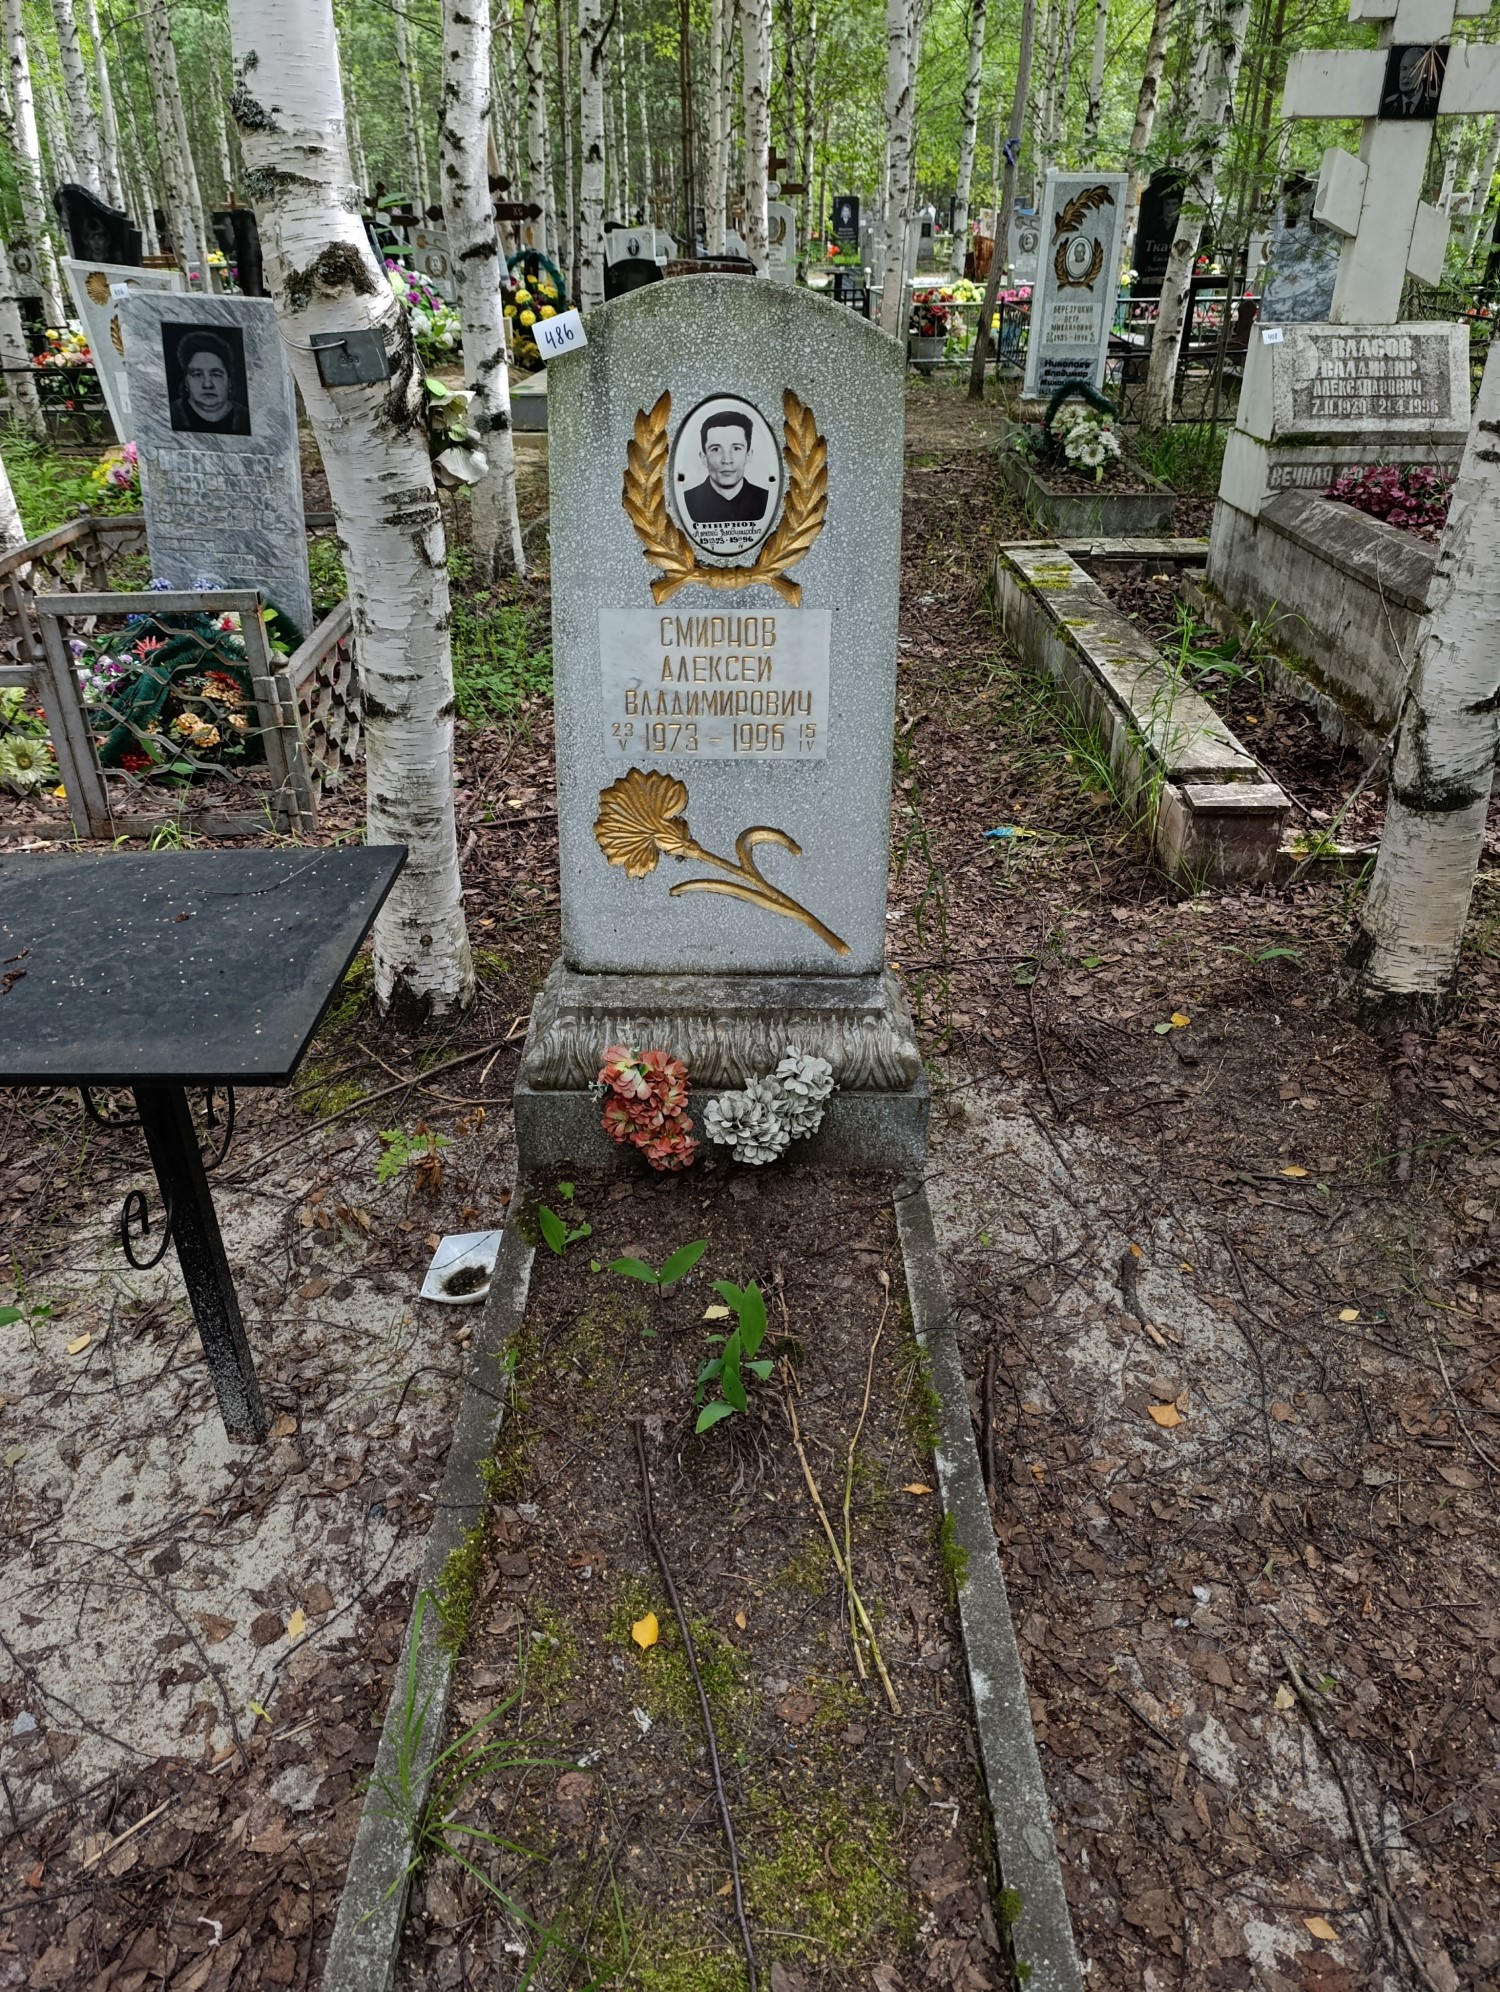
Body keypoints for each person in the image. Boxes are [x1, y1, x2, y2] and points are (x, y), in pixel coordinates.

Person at [682, 410, 768, 525]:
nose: (727, 460)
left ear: (748, 455)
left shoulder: (765, 500)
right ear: (704, 457)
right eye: (716, 449)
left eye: (736, 448)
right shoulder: (686, 501)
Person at [169, 329, 251, 434]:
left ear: (229, 382)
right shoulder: (168, 414)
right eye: (197, 375)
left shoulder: (247, 418)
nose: (207, 384)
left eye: (216, 375)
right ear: (186, 382)